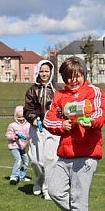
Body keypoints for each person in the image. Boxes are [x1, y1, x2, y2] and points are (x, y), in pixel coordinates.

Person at [43, 57, 105, 211]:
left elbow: (99, 115)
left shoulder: (93, 91)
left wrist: (90, 122)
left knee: (79, 198)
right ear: (63, 78)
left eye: (77, 76)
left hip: (87, 153)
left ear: (83, 75)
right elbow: (48, 119)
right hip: (65, 153)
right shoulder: (59, 96)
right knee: (54, 190)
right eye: (69, 77)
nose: (73, 80)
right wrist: (62, 125)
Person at [24, 60, 59, 200]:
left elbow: (61, 108)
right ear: (38, 72)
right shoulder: (32, 90)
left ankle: (47, 188)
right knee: (35, 160)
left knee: (50, 159)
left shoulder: (57, 89)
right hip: (36, 128)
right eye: (42, 71)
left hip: (53, 128)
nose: (44, 74)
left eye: (47, 71)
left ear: (51, 72)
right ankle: (38, 181)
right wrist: (33, 119)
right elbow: (27, 109)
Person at [6, 106, 31, 185]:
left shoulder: (28, 125)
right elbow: (8, 135)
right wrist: (14, 137)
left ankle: (22, 176)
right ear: (16, 116)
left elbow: (30, 134)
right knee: (18, 160)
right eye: (19, 117)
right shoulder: (12, 125)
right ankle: (14, 176)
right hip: (14, 146)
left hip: (22, 147)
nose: (21, 119)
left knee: (26, 161)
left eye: (23, 116)